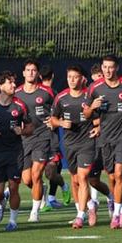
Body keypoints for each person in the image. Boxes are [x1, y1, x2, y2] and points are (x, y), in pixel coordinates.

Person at [84, 55, 122, 229]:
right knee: (111, 176)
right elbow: (86, 114)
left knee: (119, 173)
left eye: (111, 67)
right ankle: (120, 208)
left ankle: (116, 215)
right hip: (105, 138)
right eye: (105, 67)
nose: (108, 71)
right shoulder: (94, 88)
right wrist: (92, 107)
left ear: (116, 68)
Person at [0, 70, 33, 232]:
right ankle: (1, 203)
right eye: (10, 82)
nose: (14, 85)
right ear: (1, 86)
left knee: (14, 187)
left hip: (15, 152)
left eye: (14, 82)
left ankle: (13, 221)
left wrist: (22, 131)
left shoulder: (20, 105)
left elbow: (30, 127)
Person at [50, 66, 96, 229]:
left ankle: (80, 216)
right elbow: (53, 119)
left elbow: (101, 117)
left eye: (75, 77)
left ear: (82, 79)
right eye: (69, 76)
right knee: (75, 180)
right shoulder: (61, 97)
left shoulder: (89, 96)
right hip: (69, 144)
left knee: (83, 177)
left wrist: (98, 127)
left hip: (87, 143)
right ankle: (91, 205)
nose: (72, 80)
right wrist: (61, 123)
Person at [15, 59, 56, 222]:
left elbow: (59, 108)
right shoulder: (16, 93)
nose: (31, 73)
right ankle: (41, 190)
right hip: (25, 138)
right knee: (27, 179)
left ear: (38, 73)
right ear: (23, 73)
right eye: (28, 70)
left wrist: (55, 120)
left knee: (36, 173)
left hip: (43, 136)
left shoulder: (47, 92)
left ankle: (34, 212)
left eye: (33, 70)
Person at [38, 64, 71, 211]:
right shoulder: (35, 93)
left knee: (51, 172)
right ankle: (46, 199)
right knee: (32, 174)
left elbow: (62, 114)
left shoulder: (56, 95)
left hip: (51, 139)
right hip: (35, 139)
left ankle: (58, 190)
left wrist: (55, 122)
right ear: (53, 76)